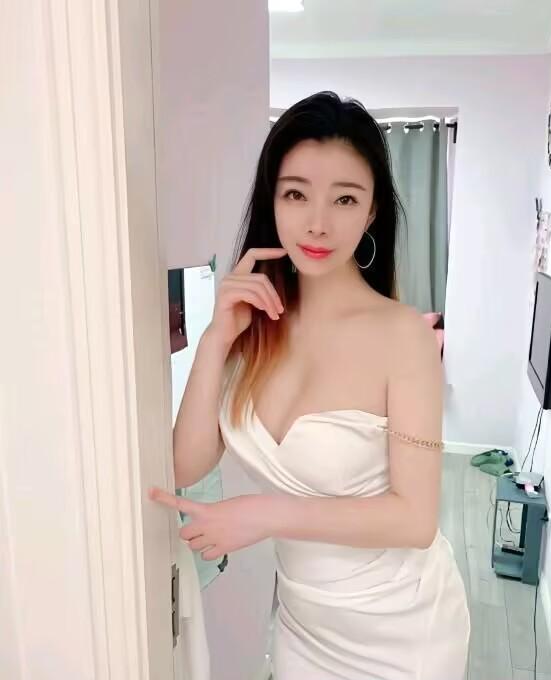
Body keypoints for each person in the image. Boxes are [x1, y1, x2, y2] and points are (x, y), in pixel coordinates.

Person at [150, 91, 470, 680]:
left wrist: (263, 514)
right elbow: (186, 464)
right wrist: (216, 338)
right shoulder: (255, 323)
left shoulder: (403, 336)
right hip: (305, 623)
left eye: (345, 198)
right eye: (296, 194)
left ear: (371, 212)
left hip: (402, 630)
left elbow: (415, 519)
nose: (318, 223)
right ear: (271, 200)